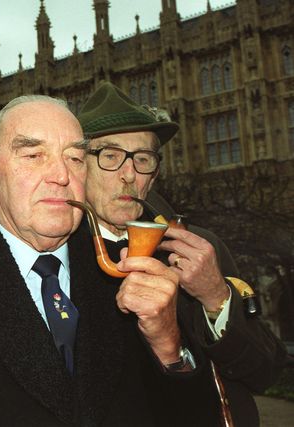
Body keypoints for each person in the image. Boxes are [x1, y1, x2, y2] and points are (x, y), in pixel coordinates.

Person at [0, 95, 222, 426]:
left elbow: (195, 415)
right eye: (33, 156)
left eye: (75, 158)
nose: (61, 176)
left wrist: (167, 344)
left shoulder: (129, 270)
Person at [77, 81, 287, 427]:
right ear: (78, 166)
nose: (129, 175)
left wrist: (216, 296)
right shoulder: (52, 257)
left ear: (155, 173)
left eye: (142, 159)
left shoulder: (199, 248)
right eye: (110, 156)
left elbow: (265, 371)